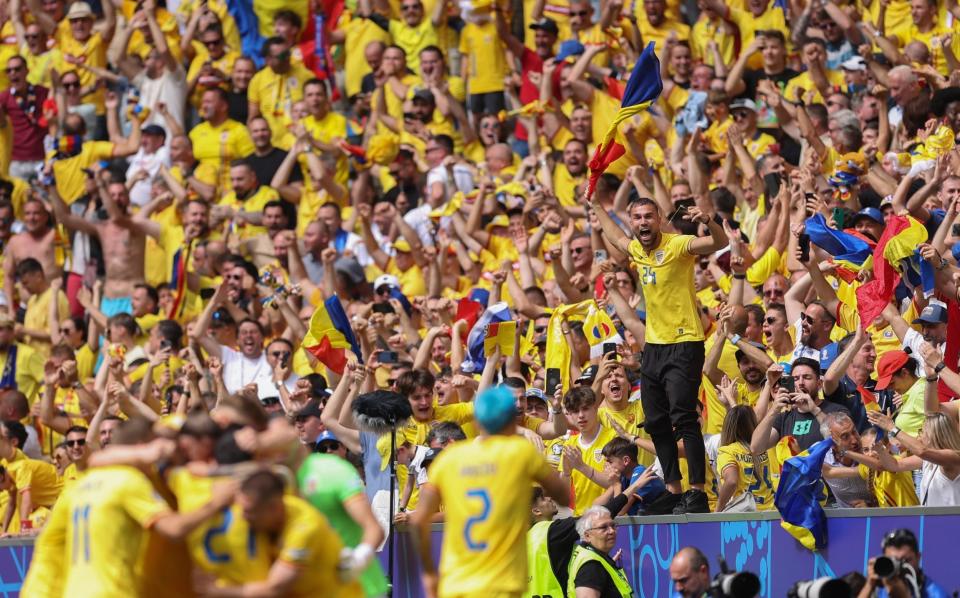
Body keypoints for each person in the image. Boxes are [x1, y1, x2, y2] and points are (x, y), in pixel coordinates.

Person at [592, 195, 726, 514]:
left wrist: (708, 222)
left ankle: (695, 490)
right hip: (653, 347)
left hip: (685, 343)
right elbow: (617, 237)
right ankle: (673, 488)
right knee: (655, 421)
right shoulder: (638, 249)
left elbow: (716, 243)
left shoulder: (678, 245)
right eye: (636, 217)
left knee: (683, 417)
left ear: (660, 217)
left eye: (648, 216)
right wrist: (595, 205)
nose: (642, 223)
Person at [412, 386, 569, 598]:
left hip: (457, 581)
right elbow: (562, 495)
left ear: (477, 422)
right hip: (502, 581)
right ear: (511, 422)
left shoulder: (448, 460)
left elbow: (419, 519)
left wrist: (430, 575)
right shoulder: (519, 452)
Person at [297, 447, 389, 597]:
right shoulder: (261, 478)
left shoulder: (332, 470)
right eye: (323, 447)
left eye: (332, 446)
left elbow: (374, 529)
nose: (328, 450)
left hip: (361, 588)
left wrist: (358, 559)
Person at [568, 505, 634, 598]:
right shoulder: (591, 566)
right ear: (587, 535)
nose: (611, 531)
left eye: (613, 525)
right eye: (603, 527)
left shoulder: (591, 554)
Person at [862, 528, 949, 598]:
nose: (899, 568)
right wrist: (869, 585)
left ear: (918, 557)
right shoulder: (879, 590)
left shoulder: (935, 594)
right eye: (893, 560)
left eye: (905, 561)